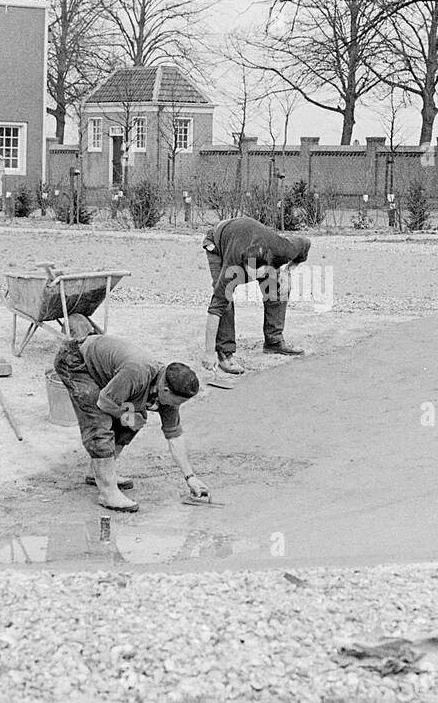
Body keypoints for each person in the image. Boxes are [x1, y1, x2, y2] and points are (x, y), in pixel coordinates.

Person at [53, 332, 208, 513]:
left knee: (135, 417)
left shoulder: (168, 391)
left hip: (107, 373)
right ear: (165, 390)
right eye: (178, 402)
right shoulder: (138, 372)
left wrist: (190, 477)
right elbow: (105, 402)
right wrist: (128, 417)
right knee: (99, 422)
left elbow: (174, 437)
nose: (177, 406)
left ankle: (96, 473)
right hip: (76, 361)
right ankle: (107, 492)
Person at [201, 215, 312, 375]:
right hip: (218, 243)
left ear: (270, 262)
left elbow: (306, 244)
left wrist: (287, 272)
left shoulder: (283, 248)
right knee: (225, 301)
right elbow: (215, 309)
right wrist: (209, 352)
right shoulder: (233, 263)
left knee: (278, 288)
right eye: (249, 273)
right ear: (244, 264)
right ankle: (225, 353)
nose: (252, 279)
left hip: (250, 238)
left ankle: (274, 341)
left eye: (257, 275)